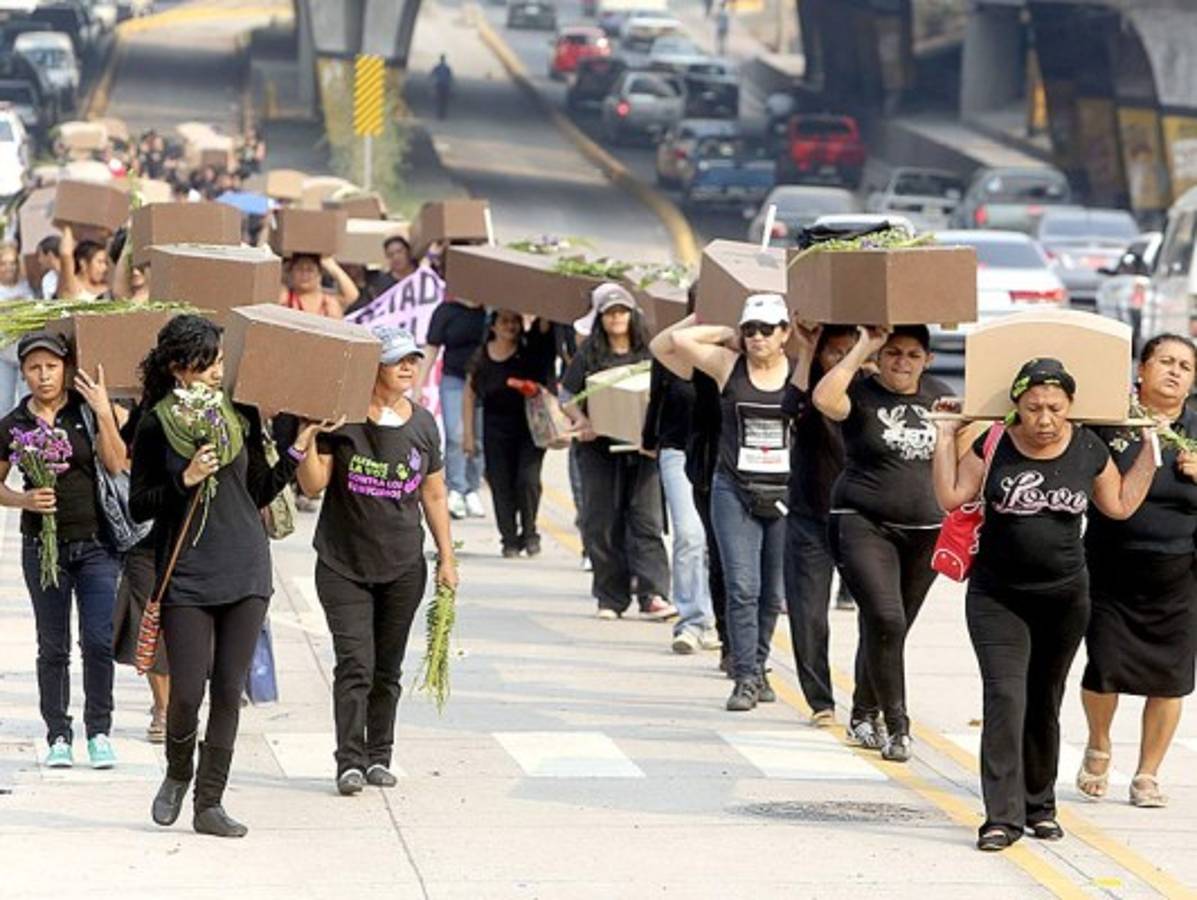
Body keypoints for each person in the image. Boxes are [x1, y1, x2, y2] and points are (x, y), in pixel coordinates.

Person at [933, 357, 1156, 851]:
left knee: (1044, 702)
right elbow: (952, 496)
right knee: (1006, 699)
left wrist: (1150, 449)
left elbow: (1118, 505)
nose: (1044, 418)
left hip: (1064, 597)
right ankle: (1001, 818)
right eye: (1033, 407)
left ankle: (1041, 806)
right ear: (1016, 406)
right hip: (997, 597)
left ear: (1070, 407)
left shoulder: (1088, 448)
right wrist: (946, 436)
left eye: (1055, 407)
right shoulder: (992, 444)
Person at [131, 315, 331, 838]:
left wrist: (297, 447)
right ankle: (177, 773)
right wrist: (186, 477)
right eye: (210, 362)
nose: (220, 370)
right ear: (180, 367)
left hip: (246, 570)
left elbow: (261, 489)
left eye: (221, 360)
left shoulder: (239, 413)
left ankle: (209, 803)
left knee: (227, 692)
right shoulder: (155, 423)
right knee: (188, 692)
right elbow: (138, 506)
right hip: (188, 577)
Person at [296, 326, 457, 795]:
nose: (408, 367)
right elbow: (312, 485)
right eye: (396, 360)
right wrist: (307, 437)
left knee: (387, 669)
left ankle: (378, 755)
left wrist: (447, 558)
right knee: (355, 664)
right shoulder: (340, 420)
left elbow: (434, 491)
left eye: (413, 359)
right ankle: (348, 760)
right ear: (373, 367)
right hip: (343, 564)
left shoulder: (424, 425)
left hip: (403, 566)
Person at [812, 325, 947, 760]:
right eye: (892, 353)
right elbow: (823, 400)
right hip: (862, 520)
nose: (901, 362)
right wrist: (863, 346)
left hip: (925, 530)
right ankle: (897, 724)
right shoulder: (861, 391)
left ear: (926, 360)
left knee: (892, 626)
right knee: (885, 617)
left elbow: (968, 448)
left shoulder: (941, 397)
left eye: (911, 354)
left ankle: (863, 710)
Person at [1078, 335, 1197, 809]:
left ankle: (1148, 774)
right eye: (1165, 361)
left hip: (1181, 570)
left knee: (1171, 676)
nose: (1174, 371)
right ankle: (1100, 744)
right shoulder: (1112, 420)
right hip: (1111, 565)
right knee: (1104, 665)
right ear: (1141, 370)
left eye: (1185, 366)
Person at [0, 332, 126, 769]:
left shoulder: (82, 410)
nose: (43, 375)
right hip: (42, 548)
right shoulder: (14, 424)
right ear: (24, 373)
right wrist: (23, 499)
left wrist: (104, 413)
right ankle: (57, 733)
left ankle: (99, 731)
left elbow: (116, 462)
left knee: (97, 640)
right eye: (34, 368)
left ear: (65, 368)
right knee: (53, 646)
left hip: (96, 547)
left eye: (51, 366)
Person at [671, 294, 795, 710]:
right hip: (733, 489)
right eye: (750, 329)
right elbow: (678, 341)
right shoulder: (729, 366)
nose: (757, 337)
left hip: (783, 494)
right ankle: (743, 676)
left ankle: (759, 667)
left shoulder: (798, 374)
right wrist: (723, 332)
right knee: (742, 586)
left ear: (784, 333)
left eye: (766, 329)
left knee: (771, 593)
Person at [561, 283, 673, 620]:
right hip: (598, 451)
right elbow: (566, 396)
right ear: (601, 318)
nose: (617, 318)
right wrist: (583, 422)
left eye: (622, 311)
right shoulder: (589, 355)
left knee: (646, 521)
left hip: (642, 452)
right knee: (602, 522)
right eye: (610, 313)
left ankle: (653, 593)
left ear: (632, 315)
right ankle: (610, 597)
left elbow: (665, 396)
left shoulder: (650, 355)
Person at [781, 324, 859, 725]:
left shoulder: (867, 393)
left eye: (850, 352)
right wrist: (808, 351)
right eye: (835, 352)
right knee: (809, 614)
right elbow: (786, 408)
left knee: (881, 616)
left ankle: (869, 701)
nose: (842, 360)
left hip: (861, 522)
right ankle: (821, 702)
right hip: (809, 516)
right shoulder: (809, 397)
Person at [647, 311, 719, 655]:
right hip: (678, 449)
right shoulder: (677, 351)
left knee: (716, 544)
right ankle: (692, 620)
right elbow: (657, 388)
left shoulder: (733, 351)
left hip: (722, 456)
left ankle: (718, 619)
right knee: (689, 535)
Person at [463, 311, 555, 557]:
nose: (510, 326)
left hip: (529, 428)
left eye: (514, 321)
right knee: (500, 483)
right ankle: (509, 539)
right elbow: (469, 394)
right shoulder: (481, 355)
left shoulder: (529, 351)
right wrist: (468, 435)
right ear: (493, 326)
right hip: (495, 428)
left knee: (527, 480)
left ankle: (530, 533)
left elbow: (546, 345)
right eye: (504, 321)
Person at [420, 292, 488, 520]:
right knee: (455, 433)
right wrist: (418, 385)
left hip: (484, 381)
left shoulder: (489, 311)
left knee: (479, 436)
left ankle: (473, 487)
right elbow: (431, 348)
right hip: (454, 380)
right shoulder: (446, 311)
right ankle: (456, 488)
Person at [0, 242, 32, 414]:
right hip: (3, 354)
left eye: (12, 263)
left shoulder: (26, 285)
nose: (8, 268)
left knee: (26, 399)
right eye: (3, 263)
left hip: (24, 351)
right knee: (3, 402)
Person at [279, 253, 360, 318]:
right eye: (299, 269)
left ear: (319, 274)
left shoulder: (329, 302)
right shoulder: (285, 297)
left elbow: (352, 295)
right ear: (291, 272)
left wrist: (331, 266)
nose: (304, 274)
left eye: (310, 270)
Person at [57, 227, 110, 301]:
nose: (105, 268)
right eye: (100, 262)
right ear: (83, 263)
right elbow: (66, 255)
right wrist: (68, 225)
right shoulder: (72, 285)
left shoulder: (107, 288)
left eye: (106, 263)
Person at [35, 235, 61, 301]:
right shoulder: (47, 279)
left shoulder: (75, 272)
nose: (39, 260)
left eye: (40, 255)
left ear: (50, 255)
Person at [432, 54, 453, 120]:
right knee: (444, 101)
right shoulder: (447, 68)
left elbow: (432, 74)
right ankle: (443, 114)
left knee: (439, 100)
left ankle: (439, 114)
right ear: (444, 60)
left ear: (440, 59)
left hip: (439, 85)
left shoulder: (437, 67)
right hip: (446, 85)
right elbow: (450, 77)